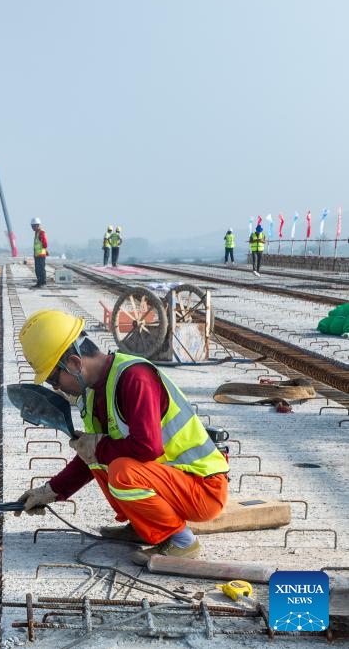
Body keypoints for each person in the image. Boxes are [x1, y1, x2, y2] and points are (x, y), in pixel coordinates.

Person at [14, 310, 229, 564]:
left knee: (121, 470)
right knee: (102, 460)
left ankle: (182, 541)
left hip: (203, 487)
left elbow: (147, 447)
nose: (56, 388)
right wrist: (51, 491)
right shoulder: (93, 394)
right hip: (172, 482)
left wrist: (99, 447)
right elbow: (90, 459)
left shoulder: (135, 378)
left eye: (53, 378)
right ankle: (144, 526)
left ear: (73, 363)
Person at [31, 217, 48, 288]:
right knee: (37, 270)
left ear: (37, 225)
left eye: (33, 226)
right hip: (37, 254)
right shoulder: (37, 233)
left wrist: (43, 250)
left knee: (41, 269)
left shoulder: (41, 232)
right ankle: (39, 282)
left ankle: (43, 282)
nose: (32, 228)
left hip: (41, 254)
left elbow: (45, 244)